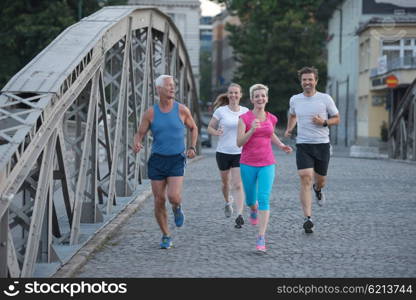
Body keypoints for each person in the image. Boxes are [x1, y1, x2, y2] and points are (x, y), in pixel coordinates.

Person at [133, 74, 198, 249]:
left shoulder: (182, 110)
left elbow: (193, 127)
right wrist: (137, 142)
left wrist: (192, 147)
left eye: (173, 85)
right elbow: (140, 132)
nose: (172, 88)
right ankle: (166, 235)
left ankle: (177, 208)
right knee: (159, 199)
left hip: (176, 159)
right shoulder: (151, 113)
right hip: (157, 161)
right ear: (158, 89)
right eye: (168, 85)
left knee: (173, 196)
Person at [237, 84, 292, 251]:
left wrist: (281, 145)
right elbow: (239, 142)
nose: (260, 98)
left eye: (263, 96)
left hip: (267, 163)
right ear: (252, 99)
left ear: (267, 98)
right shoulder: (244, 119)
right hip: (247, 163)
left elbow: (270, 134)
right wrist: (251, 130)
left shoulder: (272, 118)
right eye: (257, 96)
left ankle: (261, 237)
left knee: (264, 198)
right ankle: (252, 209)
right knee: (250, 200)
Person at [284, 66, 340, 234]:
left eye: (310, 79)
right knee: (305, 177)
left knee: (320, 180)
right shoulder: (295, 99)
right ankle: (308, 218)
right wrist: (289, 129)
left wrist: (324, 122)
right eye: (304, 80)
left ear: (316, 81)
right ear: (301, 82)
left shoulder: (325, 98)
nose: (307, 82)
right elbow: (293, 115)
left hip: (322, 144)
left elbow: (337, 118)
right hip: (303, 144)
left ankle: (319, 189)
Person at [207, 83, 248, 228]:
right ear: (228, 94)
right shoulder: (221, 111)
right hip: (223, 152)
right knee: (225, 183)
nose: (233, 95)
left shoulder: (246, 111)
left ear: (240, 95)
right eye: (231, 93)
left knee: (237, 184)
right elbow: (210, 127)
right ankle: (227, 201)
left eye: (236, 93)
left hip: (239, 152)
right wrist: (215, 132)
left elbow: (251, 130)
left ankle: (239, 215)